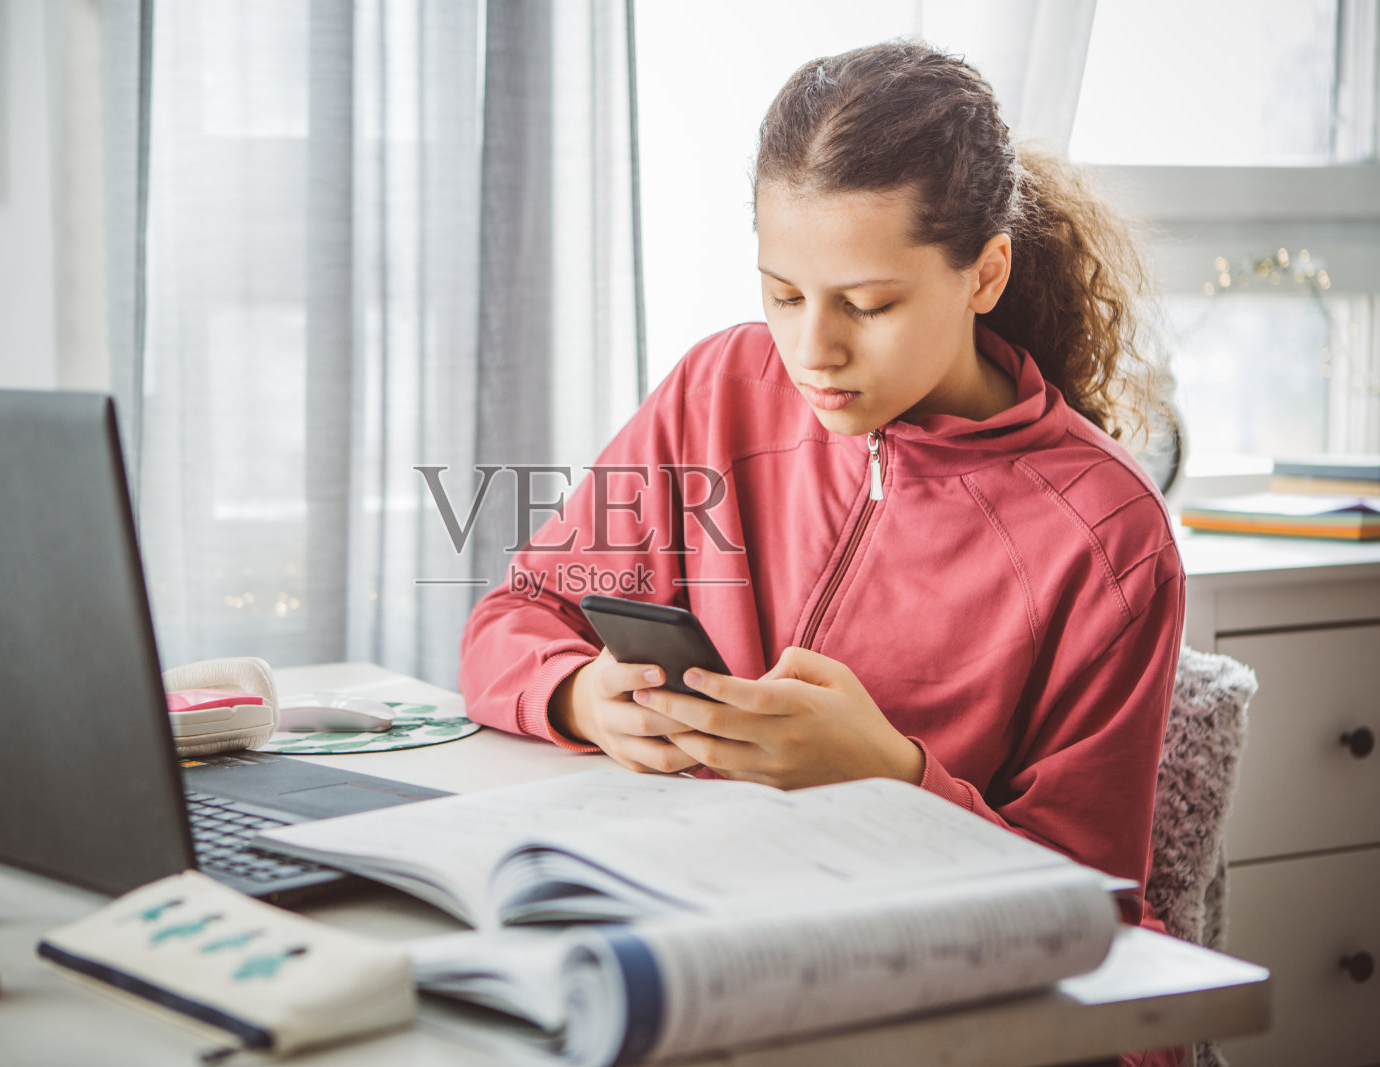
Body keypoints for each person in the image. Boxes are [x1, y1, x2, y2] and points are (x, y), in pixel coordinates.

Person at [460, 40, 1183, 1067]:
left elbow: (1092, 910)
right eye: (783, 293)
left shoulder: (1104, 535)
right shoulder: (716, 391)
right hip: (686, 930)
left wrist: (888, 772)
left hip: (916, 997)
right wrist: (579, 692)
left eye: (869, 304)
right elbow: (511, 618)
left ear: (984, 273)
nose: (813, 352)